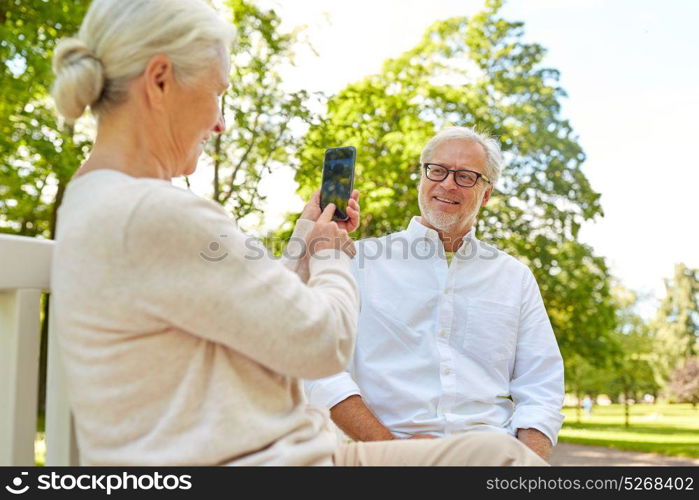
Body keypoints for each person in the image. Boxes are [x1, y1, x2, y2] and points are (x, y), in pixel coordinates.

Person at [50, 0, 544, 466]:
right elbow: (321, 342)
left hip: (284, 454)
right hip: (284, 461)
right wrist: (332, 255)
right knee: (499, 460)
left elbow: (260, 311)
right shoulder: (157, 213)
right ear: (160, 80)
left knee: (495, 456)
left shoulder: (96, 198)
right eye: (218, 93)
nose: (219, 123)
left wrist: (308, 239)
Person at [306, 127, 565, 462]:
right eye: (437, 170)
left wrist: (528, 469)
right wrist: (391, 450)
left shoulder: (514, 277)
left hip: (491, 458)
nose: (447, 184)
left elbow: (541, 386)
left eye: (465, 176)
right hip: (380, 456)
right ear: (422, 178)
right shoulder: (358, 261)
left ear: (486, 194)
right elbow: (320, 368)